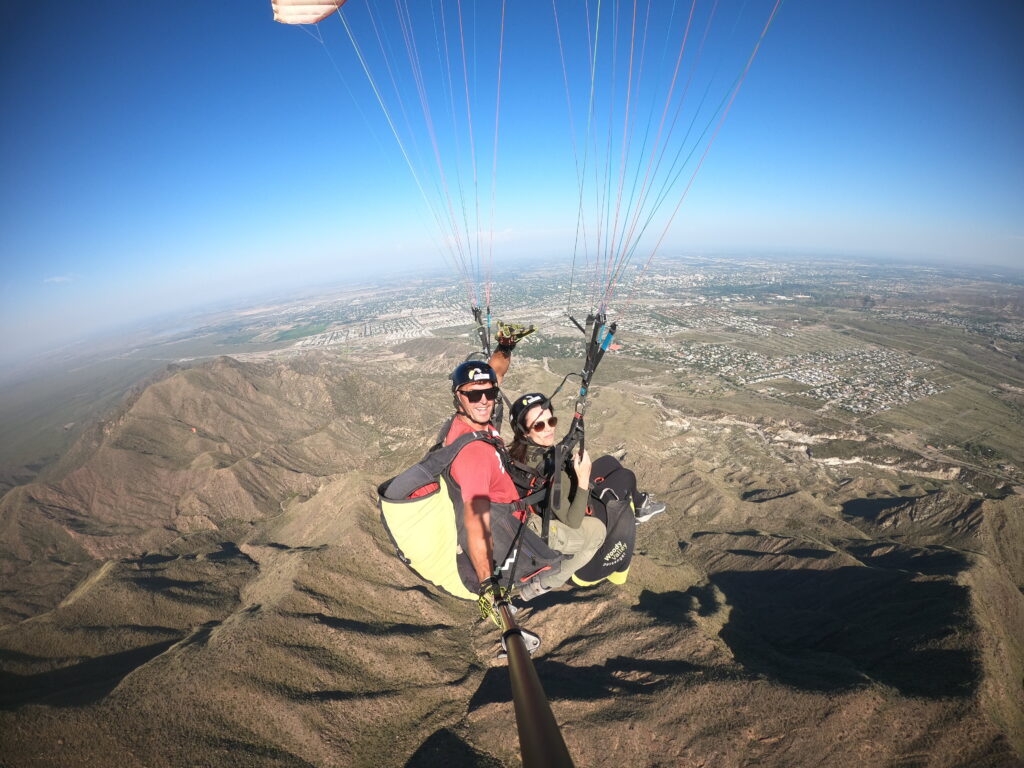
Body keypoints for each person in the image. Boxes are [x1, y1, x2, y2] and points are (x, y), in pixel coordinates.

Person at [507, 394, 666, 601]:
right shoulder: (549, 468)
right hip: (566, 521)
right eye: (539, 426)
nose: (548, 428)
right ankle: (638, 508)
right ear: (525, 432)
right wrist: (582, 479)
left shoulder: (521, 454)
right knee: (626, 477)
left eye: (551, 421)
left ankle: (639, 504)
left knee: (609, 462)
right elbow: (572, 521)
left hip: (550, 502)